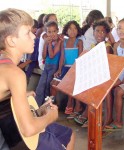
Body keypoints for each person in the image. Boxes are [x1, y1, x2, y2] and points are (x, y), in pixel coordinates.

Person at [0, 8, 74, 150]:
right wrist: (50, 116)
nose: (34, 37)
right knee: (64, 136)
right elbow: (28, 129)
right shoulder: (16, 74)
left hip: (7, 129)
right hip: (10, 138)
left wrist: (19, 95)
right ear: (11, 40)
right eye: (28, 33)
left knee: (68, 134)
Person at [74, 20, 113, 127]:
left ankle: (102, 117)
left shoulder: (107, 46)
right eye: (97, 31)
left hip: (104, 75)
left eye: (102, 31)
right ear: (93, 32)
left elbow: (105, 64)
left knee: (101, 89)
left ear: (106, 33)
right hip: (96, 74)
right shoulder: (94, 45)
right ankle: (88, 113)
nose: (99, 34)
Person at [53, 20, 83, 116]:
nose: (72, 30)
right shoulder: (64, 42)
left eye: (74, 28)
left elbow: (79, 58)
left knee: (71, 84)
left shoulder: (79, 42)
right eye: (70, 28)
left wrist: (75, 70)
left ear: (78, 30)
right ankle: (53, 103)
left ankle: (71, 104)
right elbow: (62, 57)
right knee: (53, 83)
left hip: (75, 68)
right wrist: (59, 69)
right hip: (65, 67)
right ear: (66, 30)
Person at [35, 21, 62, 106]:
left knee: (48, 87)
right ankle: (37, 106)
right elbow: (43, 56)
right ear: (46, 33)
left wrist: (49, 43)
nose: (52, 34)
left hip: (54, 67)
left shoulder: (59, 42)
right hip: (46, 66)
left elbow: (51, 55)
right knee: (40, 86)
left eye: (54, 31)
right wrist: (46, 44)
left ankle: (46, 106)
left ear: (57, 31)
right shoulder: (47, 41)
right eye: (49, 32)